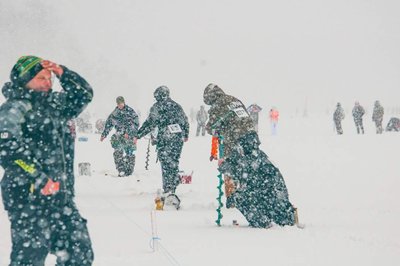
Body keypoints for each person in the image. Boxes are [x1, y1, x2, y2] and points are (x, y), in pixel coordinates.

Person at [0, 56, 94, 265]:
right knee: (30, 258)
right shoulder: (14, 108)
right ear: (24, 80)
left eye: (49, 78)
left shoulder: (55, 105)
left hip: (60, 197)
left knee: (80, 253)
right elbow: (7, 148)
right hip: (27, 197)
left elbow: (84, 95)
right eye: (41, 78)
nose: (48, 82)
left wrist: (63, 72)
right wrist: (39, 179)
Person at [203, 83, 296, 228]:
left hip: (235, 140)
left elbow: (210, 127)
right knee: (253, 170)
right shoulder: (234, 100)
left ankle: (259, 217)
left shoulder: (218, 106)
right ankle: (278, 214)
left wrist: (225, 164)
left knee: (243, 178)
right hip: (251, 137)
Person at [137, 86, 189, 202]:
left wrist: (138, 135)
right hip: (177, 139)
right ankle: (173, 184)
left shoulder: (157, 107)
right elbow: (185, 121)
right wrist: (185, 135)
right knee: (174, 161)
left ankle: (168, 188)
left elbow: (150, 123)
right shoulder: (176, 106)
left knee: (165, 164)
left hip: (165, 139)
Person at [100, 96, 139, 177]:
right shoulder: (115, 113)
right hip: (119, 136)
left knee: (130, 153)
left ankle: (129, 170)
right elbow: (109, 124)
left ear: (124, 102)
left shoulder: (130, 111)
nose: (120, 105)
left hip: (130, 136)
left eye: (121, 103)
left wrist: (129, 132)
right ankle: (121, 169)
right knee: (117, 152)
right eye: (118, 104)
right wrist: (104, 134)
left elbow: (135, 123)